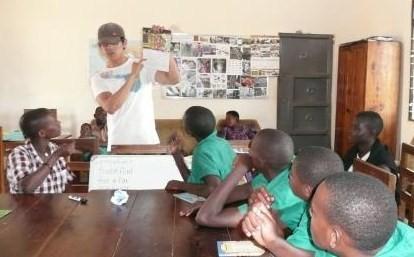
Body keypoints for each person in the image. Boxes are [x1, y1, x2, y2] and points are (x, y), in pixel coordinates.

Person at [243, 172, 414, 257]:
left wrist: (273, 241)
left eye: (312, 213)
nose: (307, 215)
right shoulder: (368, 236)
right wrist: (273, 239)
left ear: (334, 237)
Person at [90, 23, 180, 151]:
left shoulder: (142, 65)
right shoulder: (99, 77)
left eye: (114, 42)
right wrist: (133, 76)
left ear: (124, 43)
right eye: (104, 44)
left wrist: (165, 48)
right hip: (119, 145)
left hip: (148, 142)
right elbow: (110, 107)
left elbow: (173, 79)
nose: (109, 47)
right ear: (100, 47)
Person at [194, 129, 307, 231]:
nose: (248, 148)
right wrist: (208, 203)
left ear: (260, 162)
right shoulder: (278, 172)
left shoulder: (280, 195)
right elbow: (242, 191)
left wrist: (240, 168)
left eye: (251, 148)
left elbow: (205, 218)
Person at [241, 147, 344, 256]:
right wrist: (263, 210)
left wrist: (273, 241)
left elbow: (292, 251)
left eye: (291, 176)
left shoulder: (318, 217)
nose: (288, 178)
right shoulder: (307, 205)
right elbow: (279, 231)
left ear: (307, 190)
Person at [165, 106, 236, 197]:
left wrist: (180, 185)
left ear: (188, 131)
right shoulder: (222, 142)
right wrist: (176, 154)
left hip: (216, 204)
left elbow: (213, 189)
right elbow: (192, 181)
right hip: (231, 197)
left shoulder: (201, 151)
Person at [6, 108, 75, 193]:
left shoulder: (55, 148)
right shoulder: (19, 153)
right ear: (42, 133)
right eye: (54, 121)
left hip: (56, 205)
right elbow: (26, 188)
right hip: (29, 206)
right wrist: (56, 156)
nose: (59, 122)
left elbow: (68, 182)